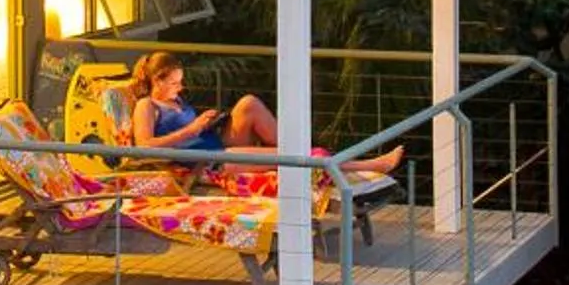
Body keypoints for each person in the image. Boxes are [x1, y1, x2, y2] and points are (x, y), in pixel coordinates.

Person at [125, 50, 402, 176]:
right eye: (174, 82)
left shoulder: (176, 100)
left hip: (215, 144)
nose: (180, 87)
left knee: (247, 104)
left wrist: (208, 123)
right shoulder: (146, 106)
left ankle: (305, 149)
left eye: (180, 81)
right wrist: (192, 129)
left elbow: (195, 131)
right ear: (157, 81)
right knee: (290, 157)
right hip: (208, 162)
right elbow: (145, 146)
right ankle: (369, 165)